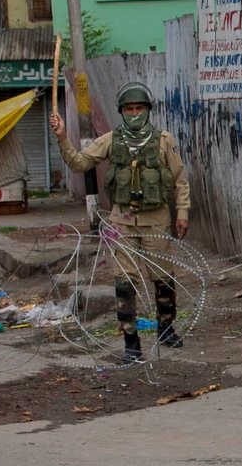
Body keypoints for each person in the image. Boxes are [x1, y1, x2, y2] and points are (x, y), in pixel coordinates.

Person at [51, 81, 192, 364]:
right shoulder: (111, 140)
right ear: (121, 111)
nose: (135, 113)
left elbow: (180, 179)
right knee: (124, 283)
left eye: (139, 108)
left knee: (163, 279)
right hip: (123, 221)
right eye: (129, 109)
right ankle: (131, 342)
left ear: (148, 110)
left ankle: (166, 328)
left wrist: (182, 213)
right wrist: (63, 137)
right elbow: (79, 163)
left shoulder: (164, 141)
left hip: (156, 220)